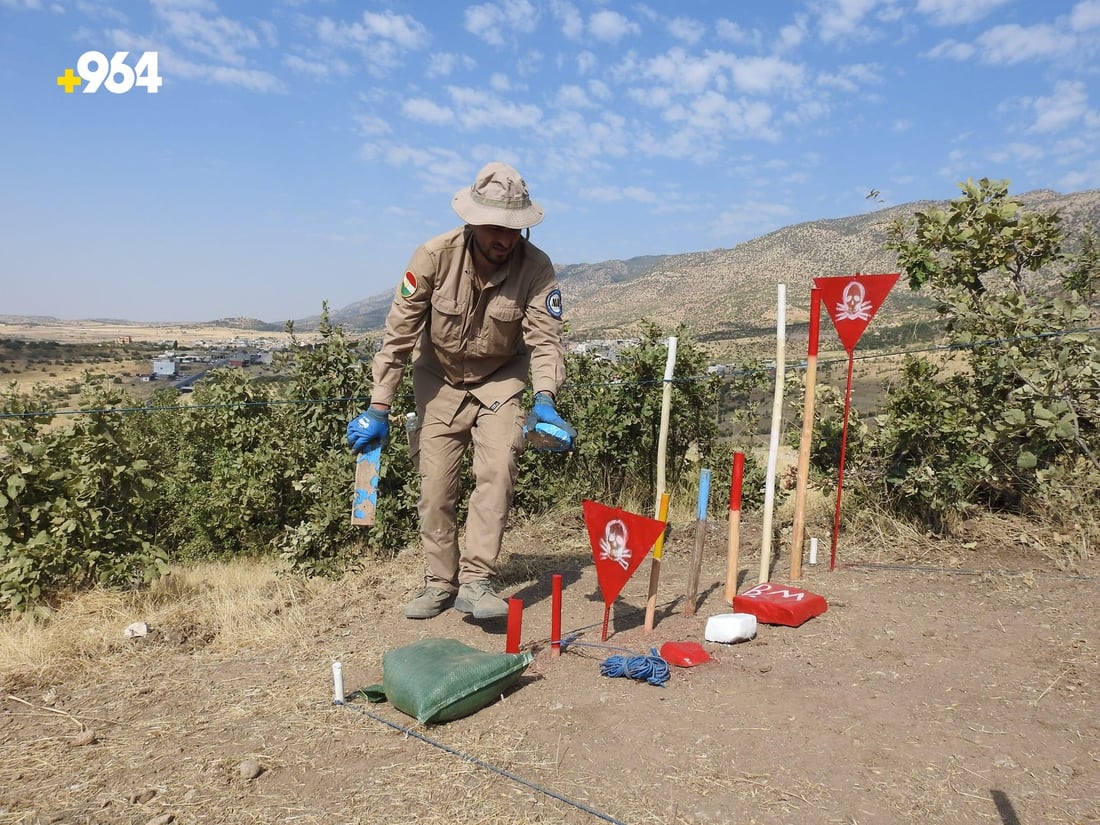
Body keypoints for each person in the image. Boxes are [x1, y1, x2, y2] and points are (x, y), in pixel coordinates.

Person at [347, 161, 576, 621]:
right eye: (495, 227)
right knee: (435, 488)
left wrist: (546, 396)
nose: (505, 239)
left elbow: (545, 340)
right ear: (472, 221)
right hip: (438, 383)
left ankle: (477, 581)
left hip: (500, 382)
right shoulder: (432, 257)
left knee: (498, 471)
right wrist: (378, 407)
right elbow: (398, 336)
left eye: (514, 229)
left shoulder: (536, 268)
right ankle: (439, 583)